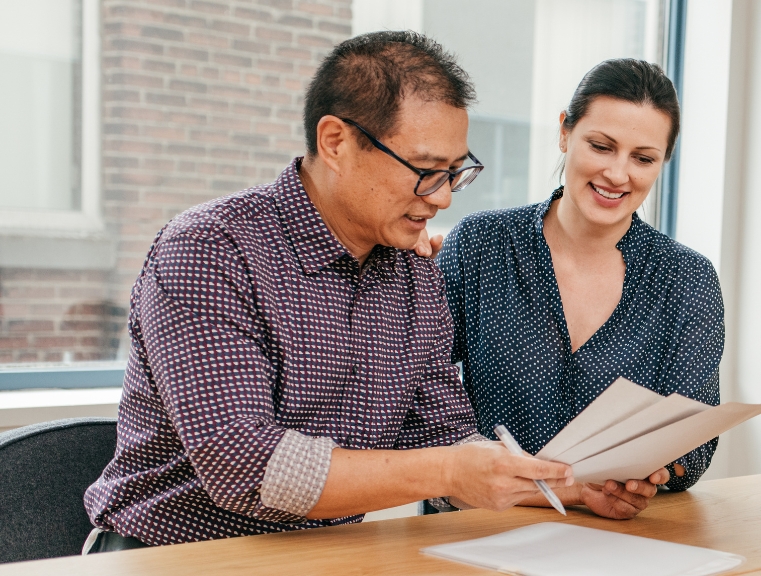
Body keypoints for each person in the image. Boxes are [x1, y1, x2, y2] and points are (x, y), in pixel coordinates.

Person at [82, 31, 572, 551]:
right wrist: (450, 471)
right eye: (426, 172)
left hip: (325, 555)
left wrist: (573, 486)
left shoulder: (413, 271)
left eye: (454, 173)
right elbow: (241, 464)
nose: (444, 198)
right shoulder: (209, 249)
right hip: (172, 557)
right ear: (335, 141)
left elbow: (446, 439)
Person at [437, 58, 723, 520]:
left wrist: (654, 472)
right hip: (476, 527)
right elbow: (416, 397)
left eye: (643, 158)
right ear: (565, 133)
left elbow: (694, 445)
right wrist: (571, 491)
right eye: (602, 146)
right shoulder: (479, 245)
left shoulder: (686, 278)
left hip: (616, 542)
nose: (617, 173)